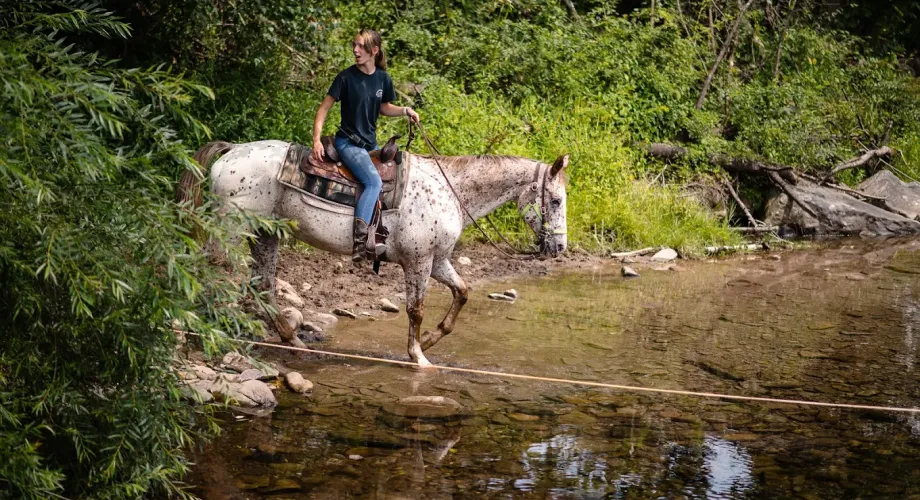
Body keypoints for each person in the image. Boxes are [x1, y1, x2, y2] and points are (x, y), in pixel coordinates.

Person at [312, 29, 420, 264]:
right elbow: (323, 109)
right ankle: (360, 242)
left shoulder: (383, 79)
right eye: (354, 45)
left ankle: (378, 235)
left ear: (374, 50)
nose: (355, 50)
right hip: (348, 143)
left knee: (391, 179)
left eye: (360, 46)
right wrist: (316, 140)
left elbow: (384, 107)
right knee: (374, 182)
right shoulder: (345, 78)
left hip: (371, 145)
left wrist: (405, 110)